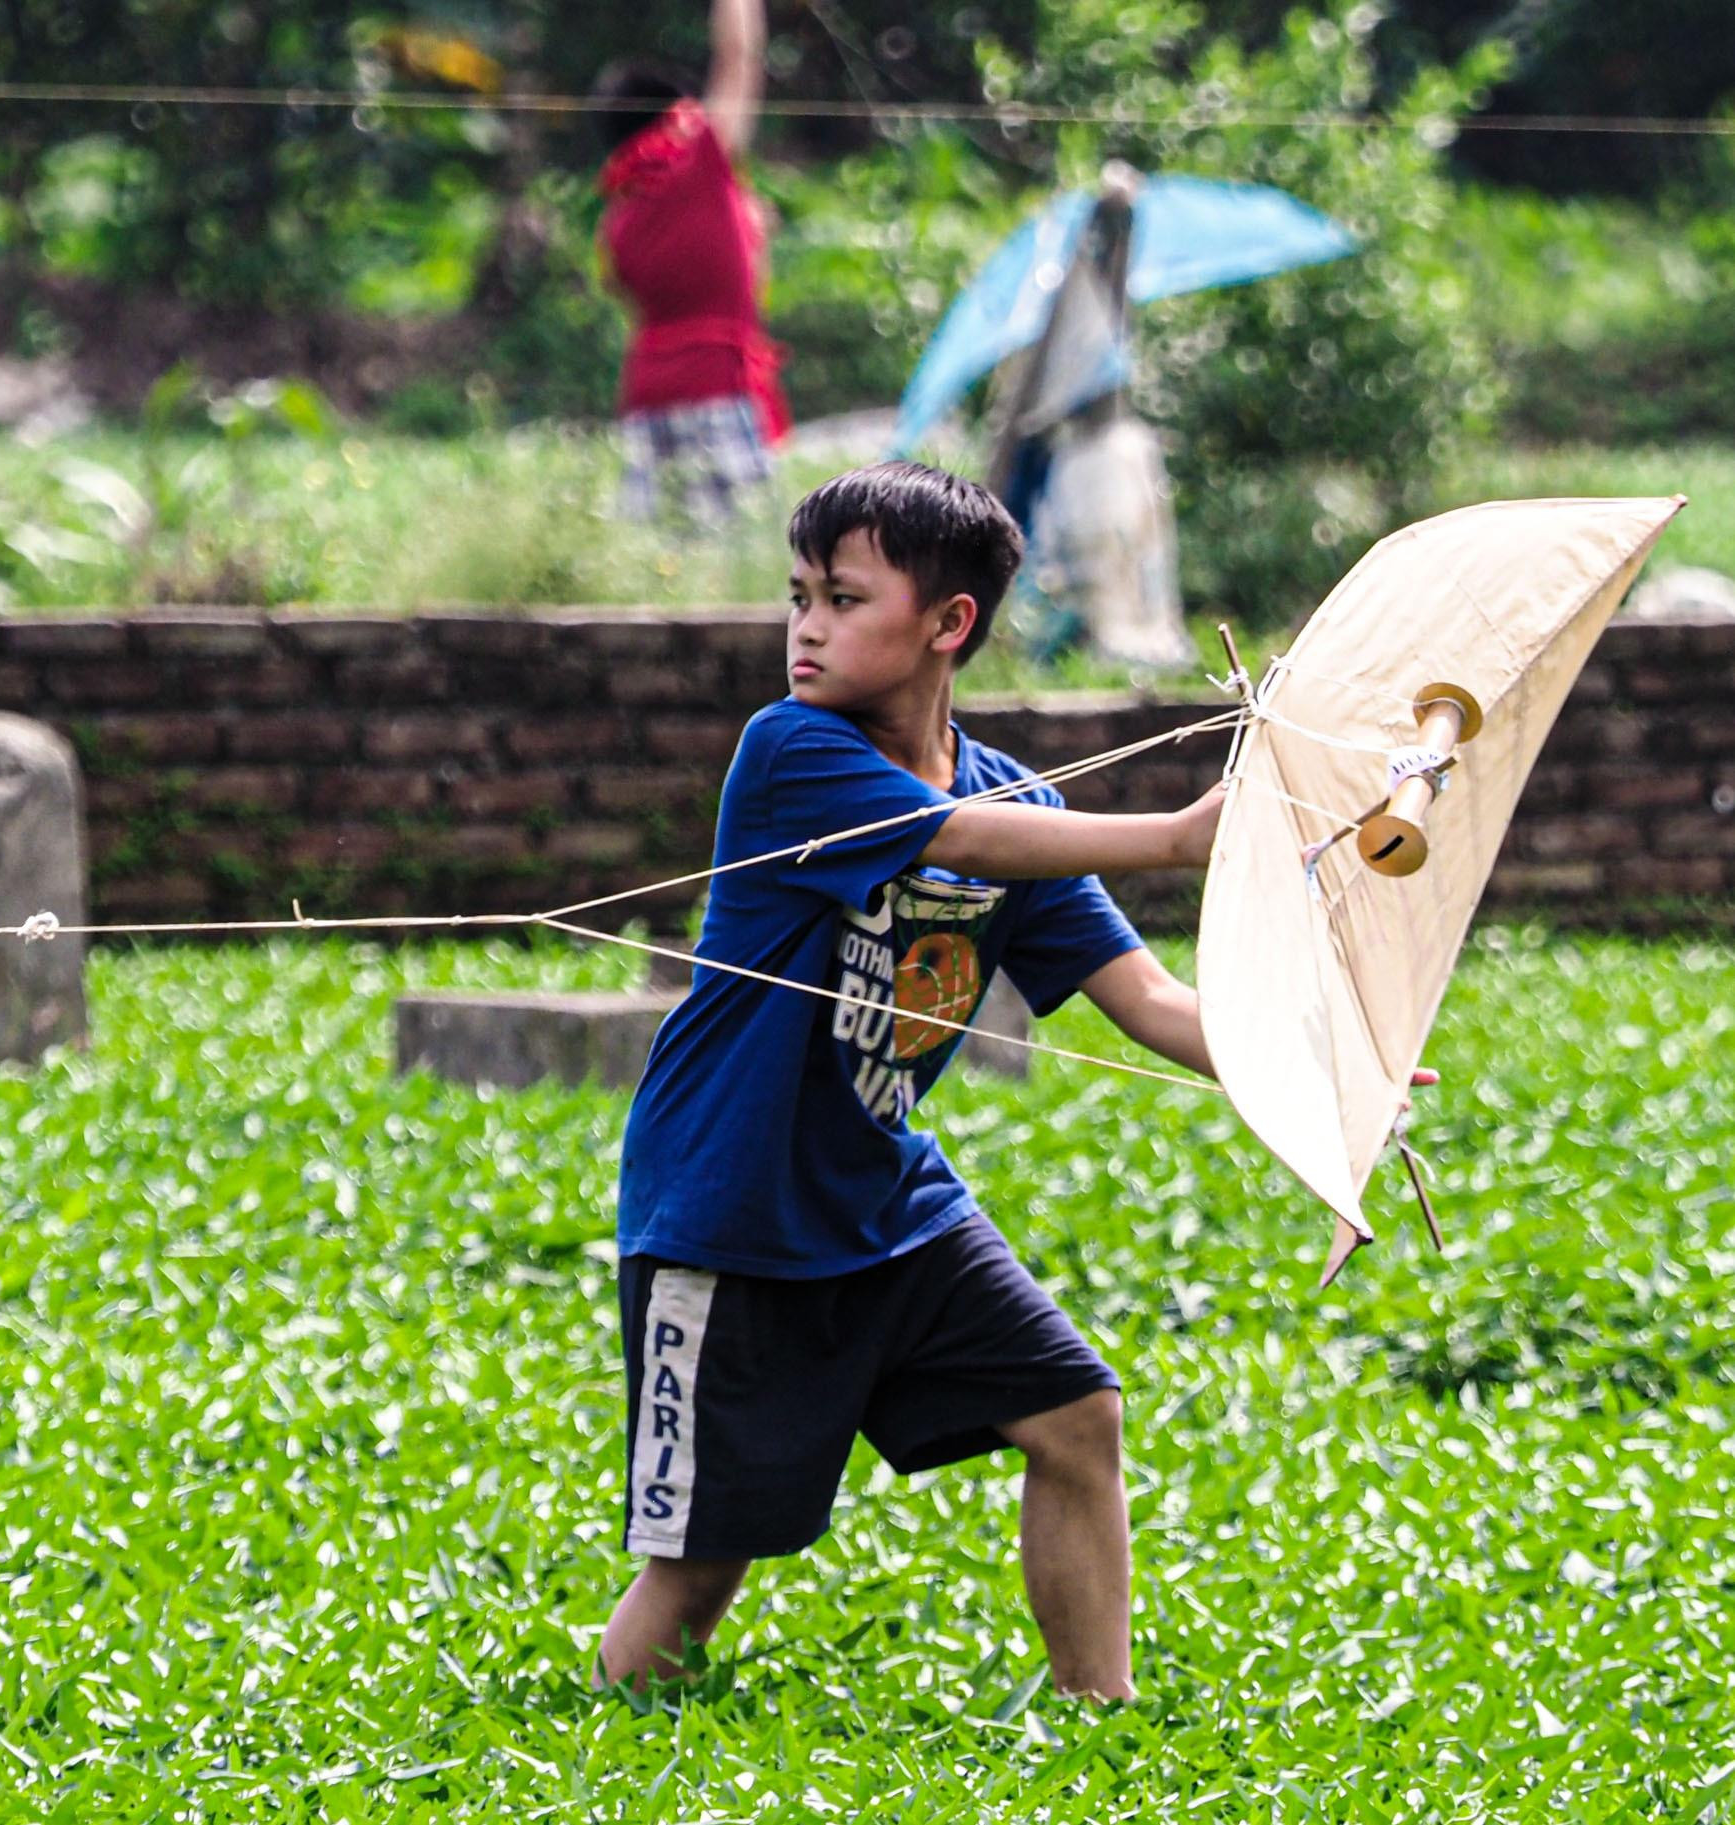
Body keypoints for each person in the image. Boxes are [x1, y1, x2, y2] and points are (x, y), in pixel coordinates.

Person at [598, 460, 1430, 1699]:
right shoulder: (790, 753)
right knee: (705, 1556)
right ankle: (620, 1727)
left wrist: (1325, 1066)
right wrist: (1175, 835)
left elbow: (1147, 1000)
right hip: (730, 1210)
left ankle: (1099, 1713)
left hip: (888, 1205)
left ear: (949, 625)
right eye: (797, 596)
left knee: (1075, 1417)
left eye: (841, 598)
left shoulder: (1011, 798)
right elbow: (951, 841)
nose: (805, 628)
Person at [593, 0, 787, 529]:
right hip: (717, 385)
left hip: (646, 392)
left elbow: (623, 284)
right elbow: (739, 55)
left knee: (659, 552)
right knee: (741, 546)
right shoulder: (701, 158)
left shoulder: (617, 214)